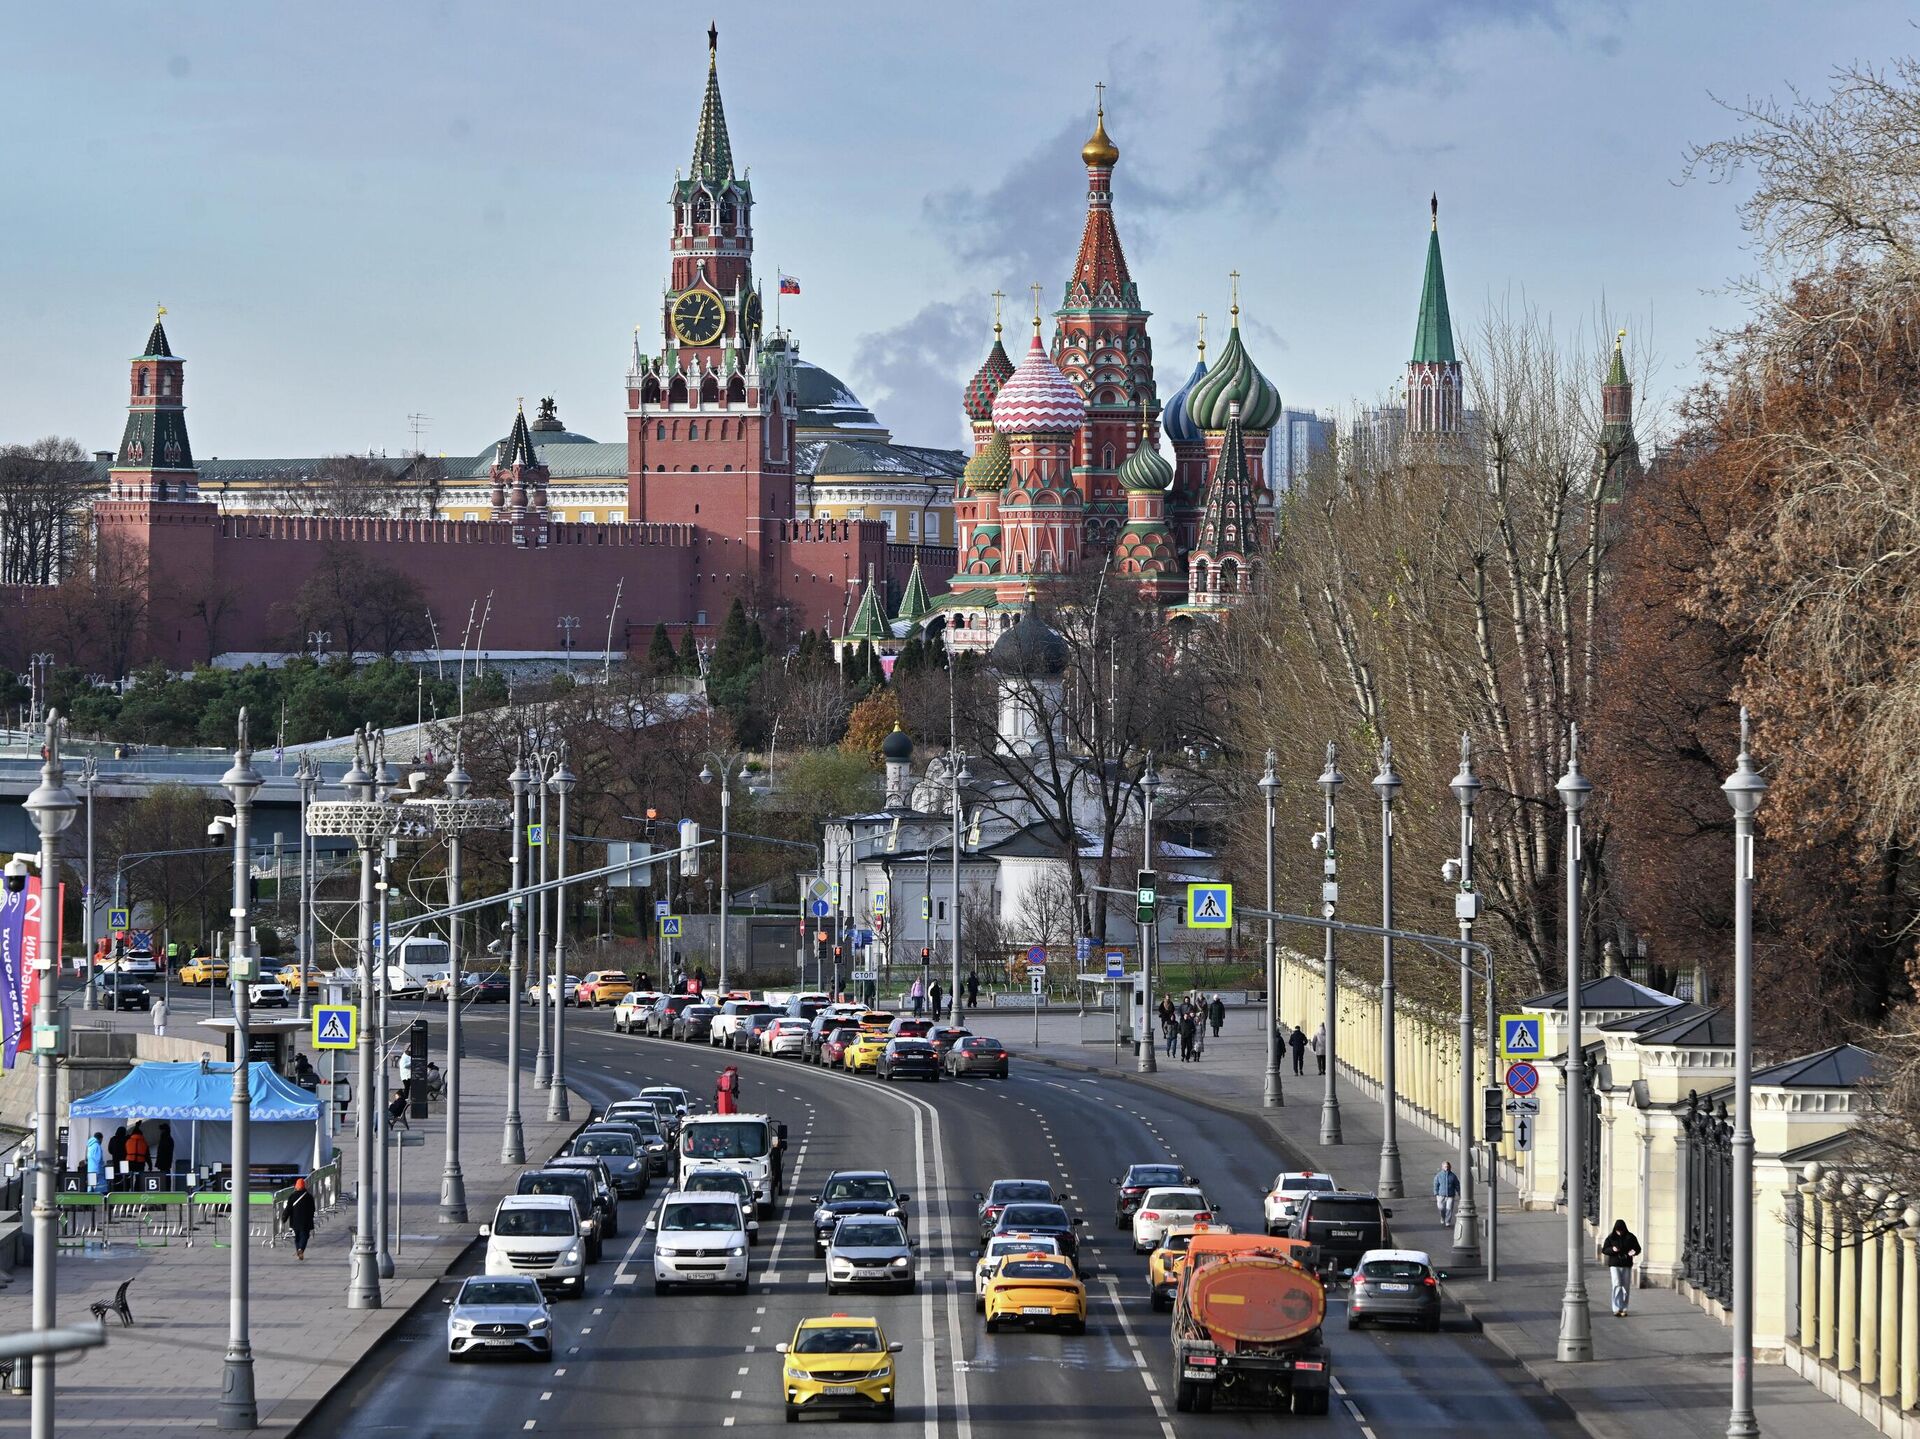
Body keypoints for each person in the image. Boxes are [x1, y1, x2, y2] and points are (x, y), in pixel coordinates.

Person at [1602, 1220, 1643, 1317]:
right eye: (1618, 1231)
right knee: (1617, 1284)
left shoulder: (1630, 1237)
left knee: (1625, 1286)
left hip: (1626, 1264)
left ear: (1624, 1229)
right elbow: (1604, 1250)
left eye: (1621, 1230)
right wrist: (1612, 1249)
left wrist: (1634, 1252)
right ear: (1615, 1230)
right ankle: (1616, 1308)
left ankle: (1624, 1308)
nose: (1619, 1232)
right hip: (1614, 1264)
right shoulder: (1611, 1237)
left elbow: (1638, 1248)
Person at [285, 1176, 317, 1260]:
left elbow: (288, 1209)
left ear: (296, 1186)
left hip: (295, 1221)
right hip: (306, 1221)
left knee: (297, 1237)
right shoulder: (309, 1196)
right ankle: (301, 1249)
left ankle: (298, 1250)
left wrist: (284, 1217)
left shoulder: (292, 1196)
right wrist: (311, 1217)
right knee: (305, 1236)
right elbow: (313, 1209)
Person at [1433, 1161, 1461, 1226]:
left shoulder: (1453, 1176)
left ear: (1450, 1167)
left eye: (1448, 1166)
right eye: (1445, 1166)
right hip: (1441, 1195)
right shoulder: (1438, 1175)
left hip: (1450, 1195)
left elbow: (1457, 1185)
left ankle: (1447, 1221)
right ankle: (1442, 1218)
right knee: (1441, 1208)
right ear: (1442, 1167)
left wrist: (1459, 1192)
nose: (1447, 1168)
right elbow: (1436, 1184)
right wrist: (1436, 1193)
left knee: (1449, 1209)